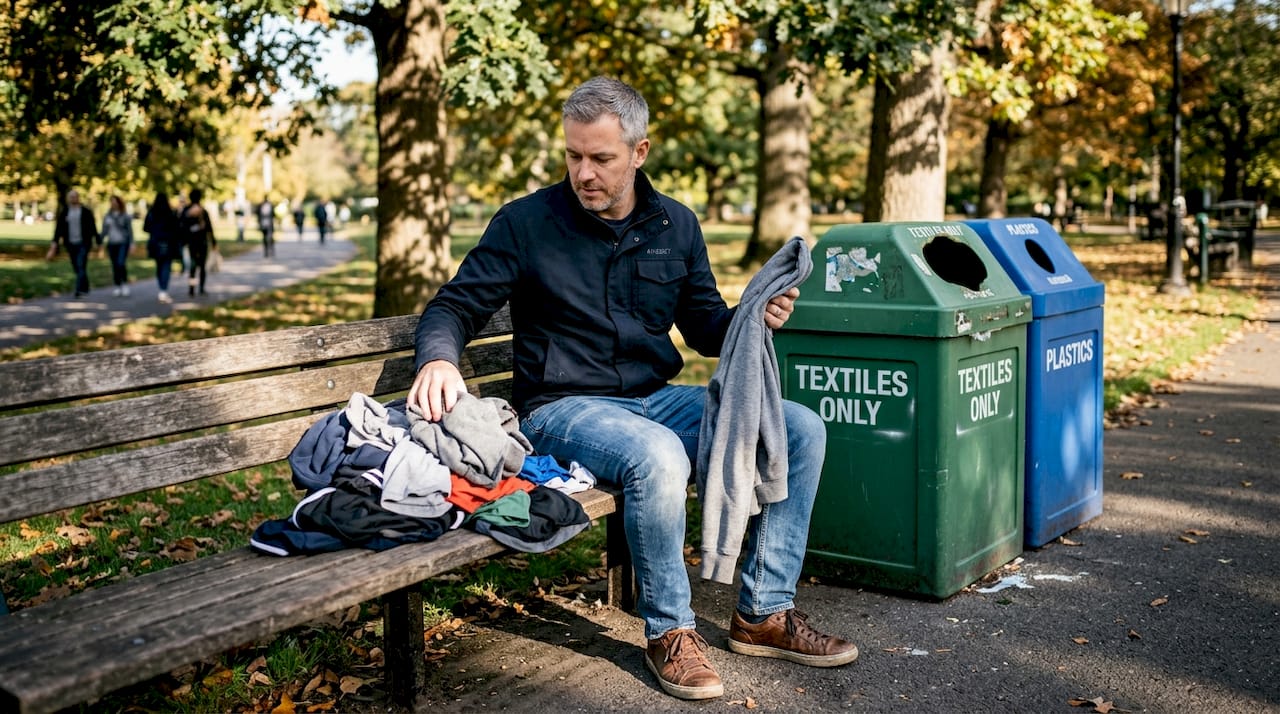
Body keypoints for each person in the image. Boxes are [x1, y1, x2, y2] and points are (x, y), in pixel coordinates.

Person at [408, 76, 857, 702]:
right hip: (563, 410)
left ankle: (764, 613)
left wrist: (751, 317)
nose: (583, 173)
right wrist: (438, 361)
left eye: (600, 158)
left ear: (639, 153)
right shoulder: (524, 224)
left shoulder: (676, 224)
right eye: (573, 156)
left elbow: (706, 328)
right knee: (657, 455)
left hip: (656, 399)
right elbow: (454, 306)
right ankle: (670, 631)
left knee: (800, 427)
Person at [48, 189, 101, 298]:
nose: (72, 199)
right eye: (70, 197)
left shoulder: (85, 211)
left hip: (84, 243)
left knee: (81, 264)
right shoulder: (65, 212)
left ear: (78, 198)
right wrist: (54, 243)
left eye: (74, 197)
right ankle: (85, 286)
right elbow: (59, 229)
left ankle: (78, 290)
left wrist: (98, 242)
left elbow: (93, 228)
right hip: (71, 243)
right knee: (77, 267)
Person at [143, 191, 180, 303]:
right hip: (168, 243)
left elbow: (145, 228)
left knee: (160, 266)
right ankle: (163, 289)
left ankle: (162, 288)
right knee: (166, 266)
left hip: (156, 243)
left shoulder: (152, 213)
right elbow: (177, 229)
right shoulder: (171, 213)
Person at [178, 188, 216, 297]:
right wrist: (213, 242)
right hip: (201, 241)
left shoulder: (186, 211)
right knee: (202, 265)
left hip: (191, 242)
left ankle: (192, 288)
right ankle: (201, 288)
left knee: (193, 265)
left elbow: (181, 226)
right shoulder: (203, 211)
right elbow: (209, 228)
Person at [101, 195, 135, 296]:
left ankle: (124, 284)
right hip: (112, 243)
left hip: (122, 243)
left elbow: (130, 231)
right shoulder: (107, 216)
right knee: (114, 265)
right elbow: (104, 231)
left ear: (119, 203)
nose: (113, 203)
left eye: (115, 201)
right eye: (111, 201)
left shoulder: (125, 216)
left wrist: (132, 243)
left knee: (121, 263)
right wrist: (100, 241)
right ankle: (117, 285)